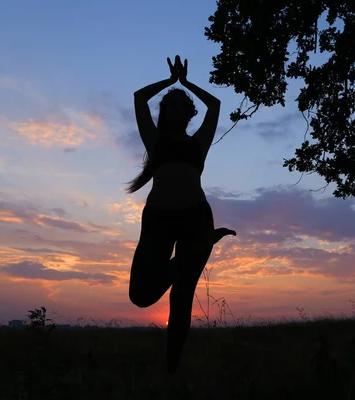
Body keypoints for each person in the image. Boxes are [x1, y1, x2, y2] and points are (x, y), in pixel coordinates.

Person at [125, 55, 236, 374]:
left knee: (182, 298)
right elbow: (139, 98)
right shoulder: (154, 140)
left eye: (181, 103)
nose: (175, 106)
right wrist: (170, 82)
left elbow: (214, 105)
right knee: (140, 295)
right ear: (163, 112)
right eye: (170, 104)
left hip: (195, 218)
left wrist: (186, 84)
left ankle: (170, 370)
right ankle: (195, 252)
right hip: (158, 218)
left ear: (188, 112)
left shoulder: (199, 142)